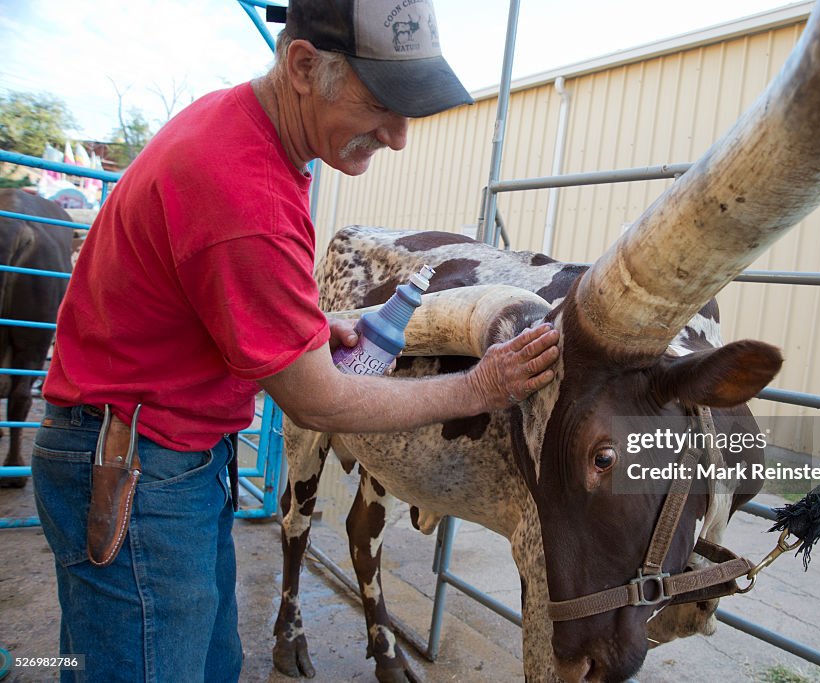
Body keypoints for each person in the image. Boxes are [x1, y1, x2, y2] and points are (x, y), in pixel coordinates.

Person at [31, 1, 560, 681]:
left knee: (204, 662)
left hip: (168, 455)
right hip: (136, 470)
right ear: (304, 65)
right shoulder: (245, 189)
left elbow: (210, 288)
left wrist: (304, 325)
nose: (399, 137)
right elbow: (317, 401)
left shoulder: (249, 132)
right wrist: (477, 386)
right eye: (384, 104)